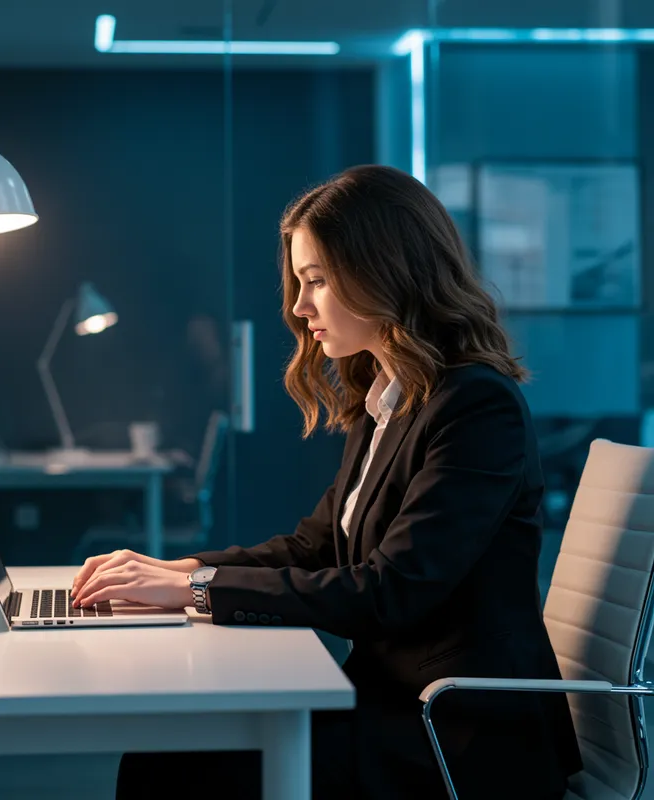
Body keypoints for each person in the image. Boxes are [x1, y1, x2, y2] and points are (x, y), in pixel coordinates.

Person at [71, 165, 583, 799]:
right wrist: (177, 571)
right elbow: (315, 546)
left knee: (172, 767)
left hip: (458, 735)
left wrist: (198, 591)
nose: (297, 305)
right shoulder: (388, 397)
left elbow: (386, 591)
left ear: (385, 270)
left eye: (316, 280)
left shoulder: (477, 407)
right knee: (168, 753)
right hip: (392, 705)